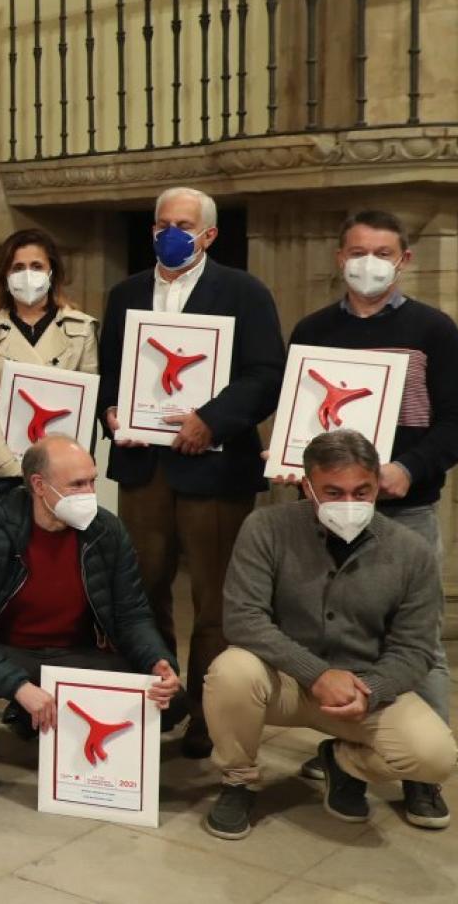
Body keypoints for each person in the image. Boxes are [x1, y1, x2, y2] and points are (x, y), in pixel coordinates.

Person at [282, 209, 458, 823]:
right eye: (358, 251)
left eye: (382, 252)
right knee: (325, 630)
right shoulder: (311, 330)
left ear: (404, 260)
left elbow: (457, 425)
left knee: (419, 640)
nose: (369, 263)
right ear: (340, 258)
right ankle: (348, 747)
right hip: (321, 516)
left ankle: (419, 775)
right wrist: (289, 458)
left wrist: (407, 469)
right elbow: (297, 420)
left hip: (404, 513)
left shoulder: (434, 330)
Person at [97, 187, 285, 758]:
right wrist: (110, 412)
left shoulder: (244, 291)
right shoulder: (126, 292)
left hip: (214, 467)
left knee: (216, 600)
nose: (170, 232)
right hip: (142, 466)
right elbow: (110, 373)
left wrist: (212, 421)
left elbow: (265, 374)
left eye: (183, 224)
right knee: (142, 588)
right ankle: (163, 699)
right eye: (161, 223)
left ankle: (209, 711)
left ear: (209, 235)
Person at [202, 430, 457, 840]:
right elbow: (244, 618)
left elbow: (414, 650)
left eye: (362, 492)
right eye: (333, 492)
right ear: (308, 487)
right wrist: (317, 674)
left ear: (378, 486)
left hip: (360, 689)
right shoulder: (266, 527)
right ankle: (238, 780)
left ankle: (343, 762)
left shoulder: (412, 553)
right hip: (280, 680)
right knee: (231, 670)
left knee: (436, 756)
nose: (349, 504)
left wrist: (371, 689)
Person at [0, 436, 180, 789]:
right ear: (38, 486)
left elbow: (132, 614)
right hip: (9, 652)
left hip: (76, 654)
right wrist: (16, 685)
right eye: (77, 484)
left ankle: (62, 738)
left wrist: (157, 660)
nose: (89, 492)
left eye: (92, 481)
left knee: (170, 697)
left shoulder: (107, 532)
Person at [0, 229, 99, 521]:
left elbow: (87, 406)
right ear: (4, 275)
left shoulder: (82, 329)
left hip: (60, 478)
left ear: (52, 272)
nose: (27, 275)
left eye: (36, 267)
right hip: (0, 473)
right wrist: (8, 469)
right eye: (18, 267)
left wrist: (66, 469)